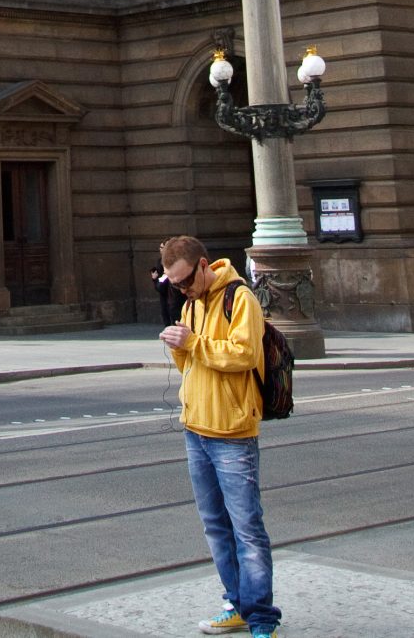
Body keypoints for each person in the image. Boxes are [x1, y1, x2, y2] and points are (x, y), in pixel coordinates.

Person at [157, 235, 278, 638]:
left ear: (204, 265)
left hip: (232, 431)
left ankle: (262, 619)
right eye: (173, 284)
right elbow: (193, 359)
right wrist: (179, 344)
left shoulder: (239, 298)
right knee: (215, 525)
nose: (181, 289)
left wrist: (193, 342)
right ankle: (237, 604)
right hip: (197, 429)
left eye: (185, 281)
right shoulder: (192, 304)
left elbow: (244, 354)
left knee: (247, 528)